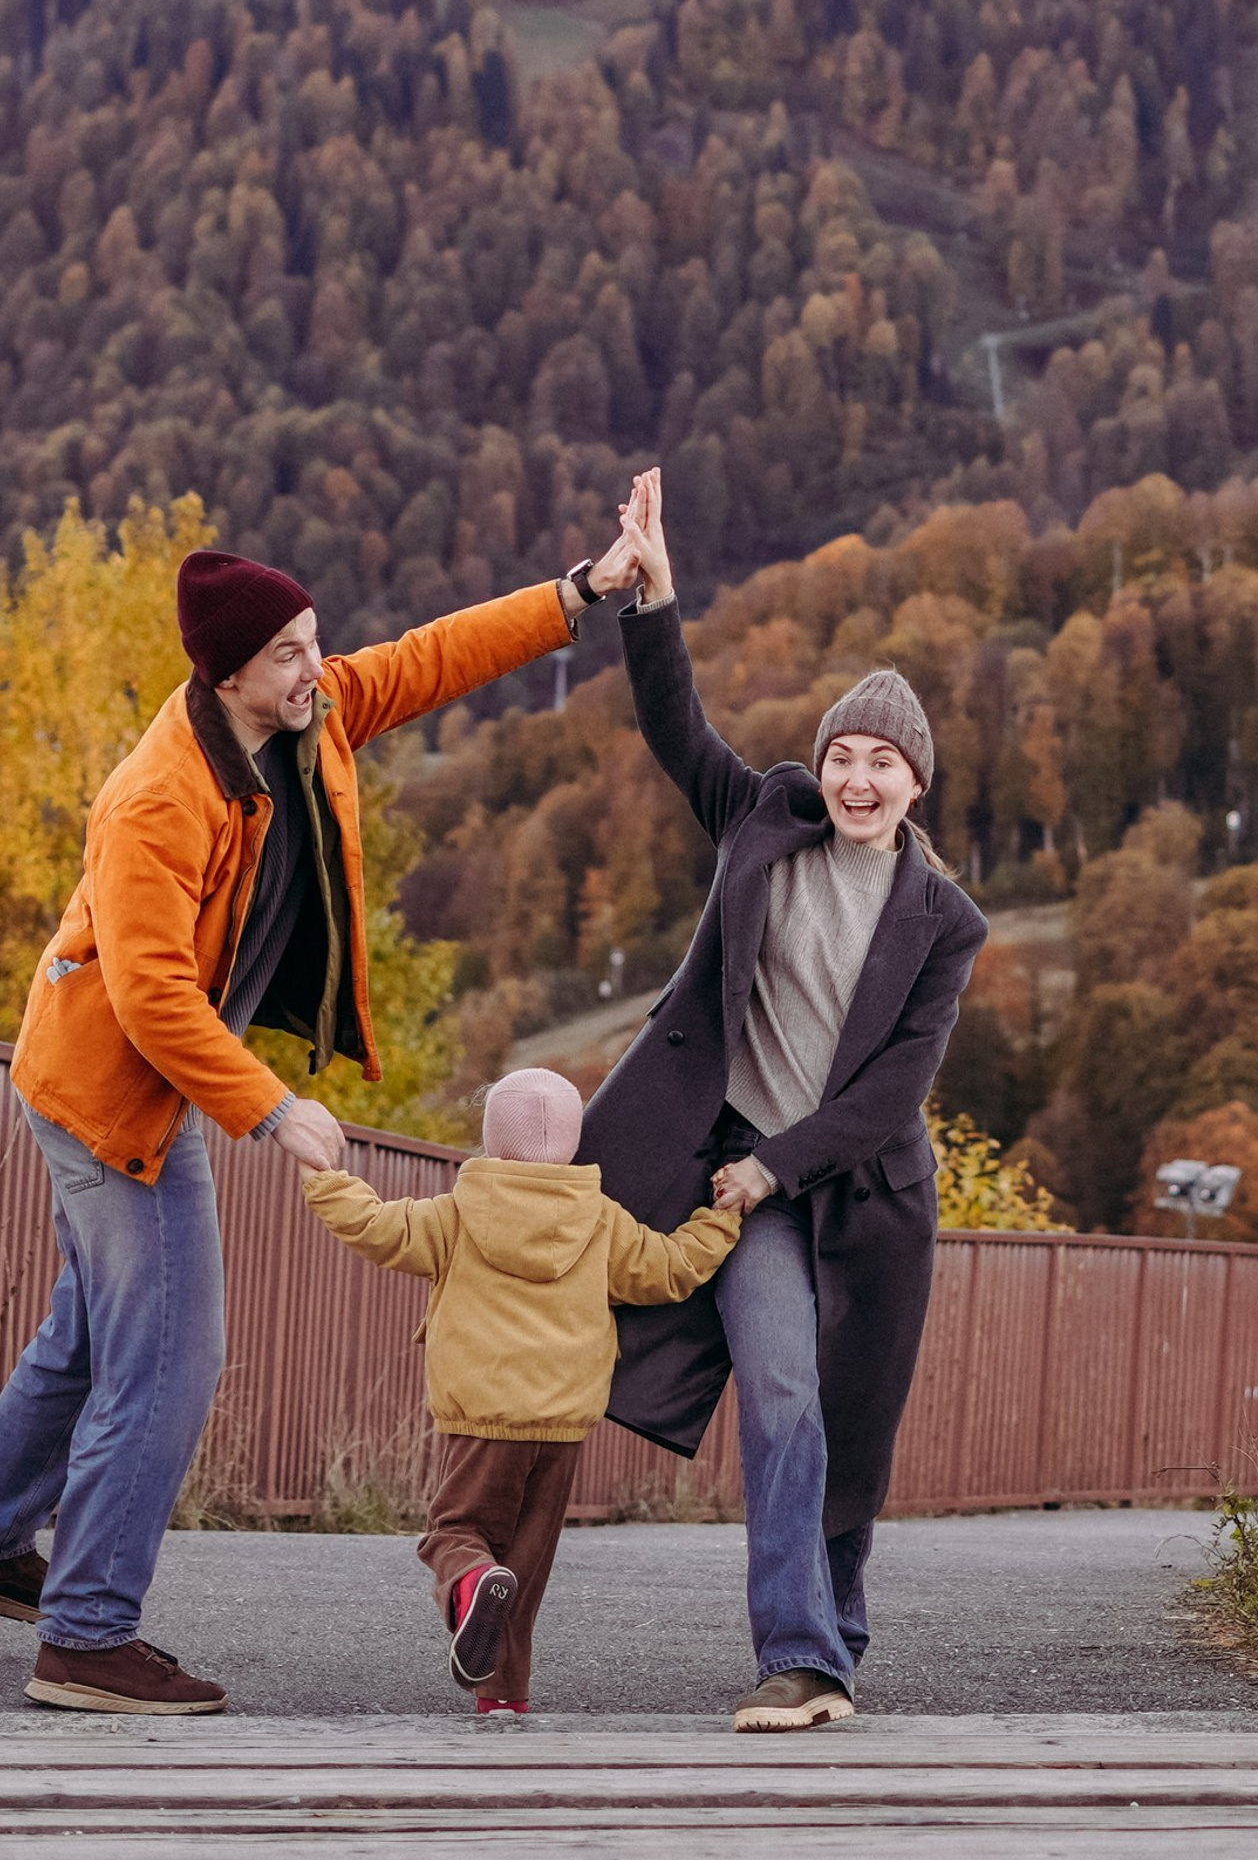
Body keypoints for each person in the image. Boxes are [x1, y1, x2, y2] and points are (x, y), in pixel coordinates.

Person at [0, 530, 639, 1714]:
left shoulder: (305, 713)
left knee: (88, 1340)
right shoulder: (156, 796)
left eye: (313, 639)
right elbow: (149, 994)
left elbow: (430, 655)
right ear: (230, 671)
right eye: (291, 651)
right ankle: (86, 1635)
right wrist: (273, 1105)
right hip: (103, 1095)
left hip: (131, 1079)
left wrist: (577, 592)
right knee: (168, 1355)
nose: (318, 664)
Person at [582, 466, 987, 1732]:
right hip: (743, 1175)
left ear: (918, 784)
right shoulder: (764, 819)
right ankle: (804, 1657)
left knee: (852, 1430)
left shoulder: (943, 921)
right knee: (785, 1391)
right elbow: (676, 728)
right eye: (844, 756)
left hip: (862, 1199)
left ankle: (836, 1629)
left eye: (885, 762)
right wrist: (653, 598)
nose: (859, 777)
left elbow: (888, 1095)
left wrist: (780, 1165)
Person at [302, 1065, 739, 1713]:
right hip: (564, 1420)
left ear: (489, 1139)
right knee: (526, 1567)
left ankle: (473, 1580)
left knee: (455, 1533)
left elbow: (376, 1227)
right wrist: (721, 1221)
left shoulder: (455, 1214)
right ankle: (502, 1699)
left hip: (482, 1413)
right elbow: (669, 1271)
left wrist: (324, 1179)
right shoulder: (600, 1221)